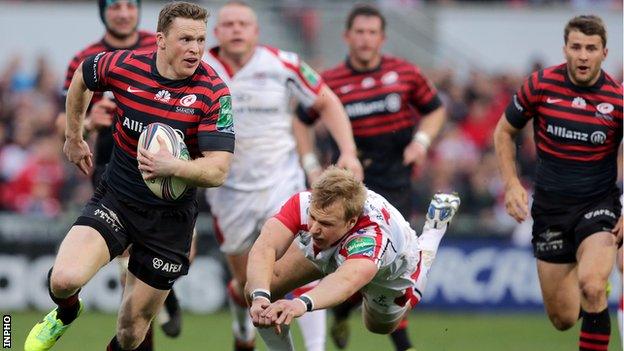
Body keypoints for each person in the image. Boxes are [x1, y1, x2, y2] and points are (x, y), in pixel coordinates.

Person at [24, 2, 234, 351]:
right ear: (161, 40)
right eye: (185, 39)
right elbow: (83, 76)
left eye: (200, 39)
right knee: (63, 280)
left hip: (170, 221)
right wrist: (74, 137)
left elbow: (218, 169)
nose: (195, 49)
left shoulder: (214, 92)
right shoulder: (125, 63)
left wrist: (173, 167)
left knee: (131, 332)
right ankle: (66, 313)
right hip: (117, 197)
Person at [202, 2, 363, 351]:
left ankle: (315, 347)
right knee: (249, 283)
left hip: (282, 183)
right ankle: (241, 322)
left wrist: (347, 150)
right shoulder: (201, 68)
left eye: (243, 23)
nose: (236, 29)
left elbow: (326, 101)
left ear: (256, 31)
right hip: (227, 190)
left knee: (306, 263)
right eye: (228, 24)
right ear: (217, 32)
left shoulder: (283, 63)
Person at [297, 4, 447, 350]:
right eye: (359, 32)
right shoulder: (331, 81)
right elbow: (301, 119)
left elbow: (435, 109)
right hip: (349, 184)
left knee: (394, 262)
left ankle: (399, 342)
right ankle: (341, 312)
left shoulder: (404, 73)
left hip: (395, 179)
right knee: (349, 262)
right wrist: (309, 163)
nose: (365, 39)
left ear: (382, 37)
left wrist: (421, 142)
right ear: (347, 36)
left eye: (372, 33)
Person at [55, 0, 184, 341]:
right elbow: (62, 115)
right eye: (115, 6)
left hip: (167, 163)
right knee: (130, 267)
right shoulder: (87, 57)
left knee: (168, 252)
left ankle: (166, 292)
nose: (123, 12)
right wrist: (87, 123)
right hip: (114, 163)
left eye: (130, 5)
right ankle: (152, 309)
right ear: (104, 12)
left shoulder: (163, 44)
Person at [493, 15, 622, 351]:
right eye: (576, 47)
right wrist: (511, 184)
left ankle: (596, 283)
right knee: (563, 319)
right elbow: (504, 132)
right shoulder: (540, 86)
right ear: (565, 48)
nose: (583, 55)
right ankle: (590, 294)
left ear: (604, 53)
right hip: (550, 211)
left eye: (591, 48)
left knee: (593, 286)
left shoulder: (618, 101)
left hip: (598, 206)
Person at [245, 167, 460, 351]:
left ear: (351, 222)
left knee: (379, 326)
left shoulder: (372, 237)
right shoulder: (307, 203)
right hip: (336, 247)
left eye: (326, 223)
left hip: (392, 269)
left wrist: (300, 304)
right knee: (258, 288)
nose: (313, 229)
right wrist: (260, 298)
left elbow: (346, 281)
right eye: (312, 217)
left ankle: (432, 233)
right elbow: (265, 246)